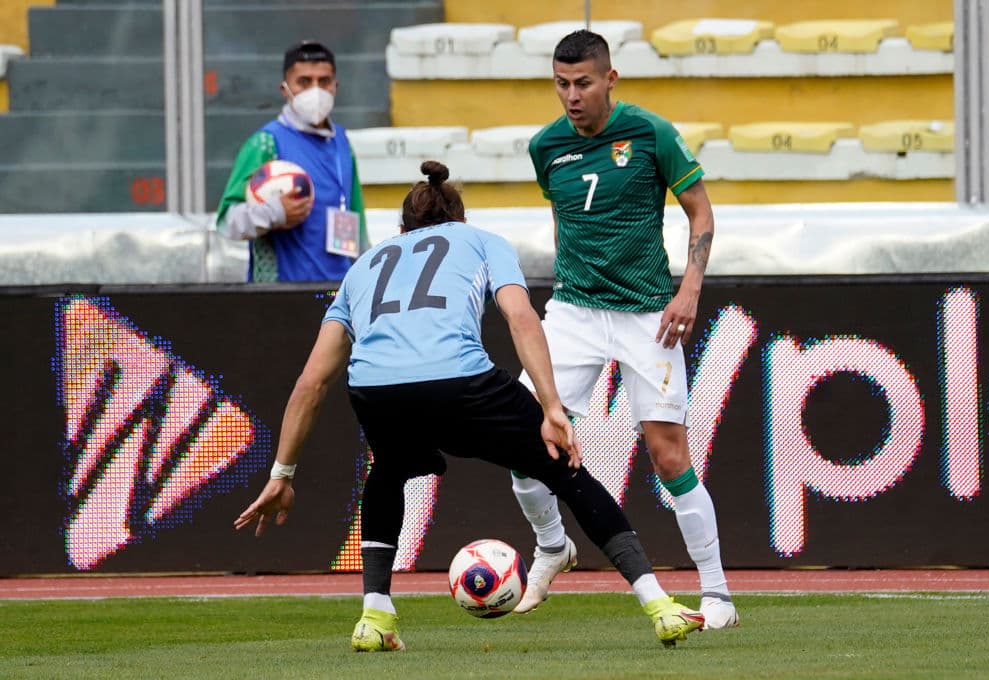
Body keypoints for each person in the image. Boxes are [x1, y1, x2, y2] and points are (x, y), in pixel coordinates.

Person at [234, 161, 706, 652]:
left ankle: (374, 616)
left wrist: (282, 472)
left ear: (401, 230)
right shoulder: (481, 240)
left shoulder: (365, 264)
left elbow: (312, 382)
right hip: (460, 382)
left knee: (388, 471)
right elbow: (520, 317)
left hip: (377, 392)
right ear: (458, 219)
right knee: (566, 471)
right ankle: (658, 605)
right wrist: (551, 407)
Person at [509, 30, 739, 630]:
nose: (571, 96)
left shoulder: (651, 133)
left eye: (583, 82)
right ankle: (553, 546)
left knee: (668, 458)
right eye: (561, 84)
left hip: (646, 315)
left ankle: (717, 594)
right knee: (524, 441)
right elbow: (565, 221)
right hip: (575, 314)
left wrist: (688, 288)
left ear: (610, 79)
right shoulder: (545, 147)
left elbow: (701, 211)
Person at [215, 40, 368, 282]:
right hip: (281, 297)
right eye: (304, 82)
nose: (315, 91)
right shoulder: (266, 143)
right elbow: (228, 223)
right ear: (285, 89)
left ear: (335, 87)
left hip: (336, 295)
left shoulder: (342, 142)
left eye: (324, 82)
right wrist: (274, 212)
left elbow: (357, 224)